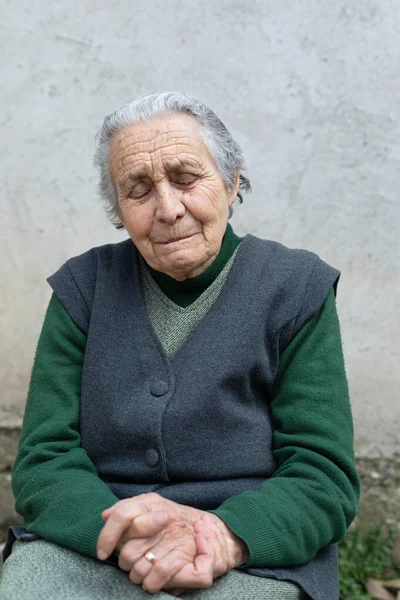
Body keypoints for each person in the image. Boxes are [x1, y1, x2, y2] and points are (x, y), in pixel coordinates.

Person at [0, 91, 360, 600]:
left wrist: (221, 536)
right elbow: (45, 458)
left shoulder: (294, 289)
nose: (168, 209)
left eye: (186, 178)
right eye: (139, 190)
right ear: (118, 210)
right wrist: (130, 537)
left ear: (232, 181)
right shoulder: (84, 289)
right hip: (96, 539)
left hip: (249, 551)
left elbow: (323, 477)